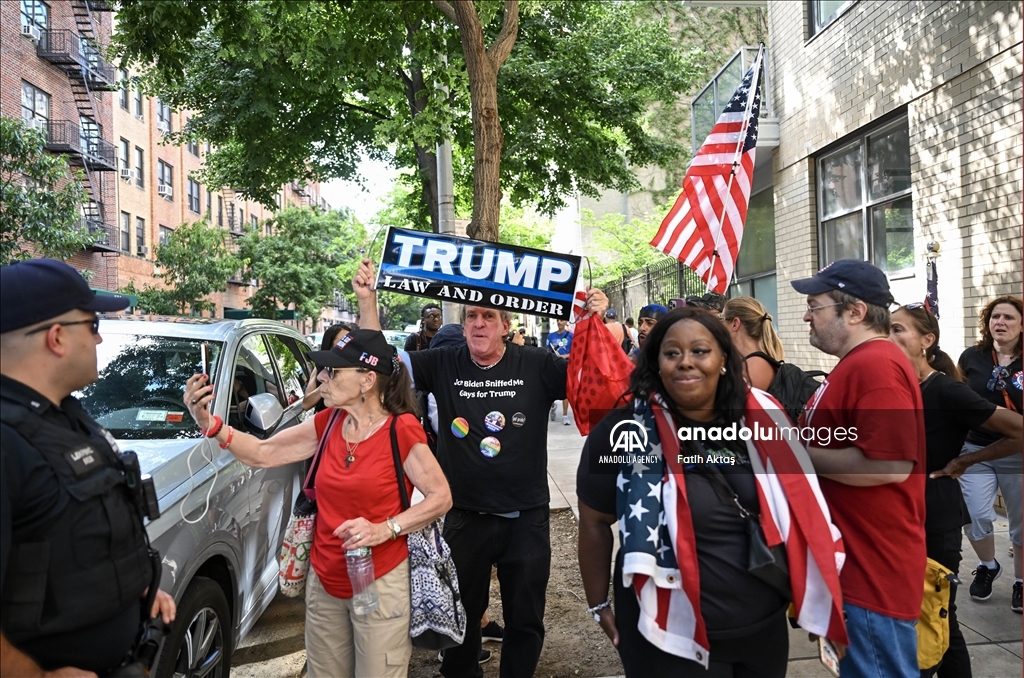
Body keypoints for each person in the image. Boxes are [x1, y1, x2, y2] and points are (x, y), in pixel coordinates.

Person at [352, 258, 608, 678]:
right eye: (472, 315)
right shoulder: (444, 362)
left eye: (489, 316)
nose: (478, 323)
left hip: (525, 516)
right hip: (463, 518)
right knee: (461, 621)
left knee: (525, 621)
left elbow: (592, 378)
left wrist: (592, 322)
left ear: (506, 325)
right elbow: (380, 361)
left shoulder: (537, 363)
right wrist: (368, 301)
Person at [577, 306, 846, 677]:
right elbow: (593, 521)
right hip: (668, 635)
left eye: (700, 351)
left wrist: (820, 594)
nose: (686, 362)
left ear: (723, 359)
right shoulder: (623, 430)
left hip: (762, 631)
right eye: (672, 353)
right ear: (656, 363)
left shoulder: (765, 416)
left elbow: (805, 512)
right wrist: (598, 604)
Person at [183, 329, 452, 677]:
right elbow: (264, 453)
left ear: (367, 380)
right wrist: (212, 424)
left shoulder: (399, 429)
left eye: (334, 372)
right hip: (325, 581)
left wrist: (386, 529)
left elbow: (441, 496)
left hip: (381, 583)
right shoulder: (327, 422)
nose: (322, 378)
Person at [0, 259, 176, 676]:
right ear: (57, 337)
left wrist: (137, 594)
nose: (99, 339)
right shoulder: (6, 441)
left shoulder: (65, 417)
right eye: (93, 324)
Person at [792, 259, 926, 678]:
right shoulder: (859, 363)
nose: (806, 315)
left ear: (855, 312)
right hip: (854, 568)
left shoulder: (876, 365)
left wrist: (790, 453)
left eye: (816, 305)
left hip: (872, 574)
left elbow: (889, 464)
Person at [889, 303, 1022, 677]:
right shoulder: (894, 387)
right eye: (886, 328)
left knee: (938, 615)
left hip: (934, 516)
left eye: (899, 329)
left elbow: (1019, 430)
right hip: (895, 516)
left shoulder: (945, 390)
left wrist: (967, 460)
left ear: (926, 341)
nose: (888, 335)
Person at [955, 295, 1023, 612]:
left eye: (1009, 317)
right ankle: (987, 565)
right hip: (976, 449)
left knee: (1021, 522)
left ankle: (1021, 582)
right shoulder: (972, 357)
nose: (1001, 322)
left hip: (1017, 452)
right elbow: (956, 400)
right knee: (976, 513)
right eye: (996, 317)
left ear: (1021, 325)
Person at [721, 297, 785, 391]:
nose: (718, 325)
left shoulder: (753, 368)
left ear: (735, 324)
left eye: (721, 319)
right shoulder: (752, 363)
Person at [303, 322, 356, 412]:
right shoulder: (320, 370)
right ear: (330, 346)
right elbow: (305, 404)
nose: (346, 345)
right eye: (342, 341)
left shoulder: (357, 369)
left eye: (349, 340)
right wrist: (325, 385)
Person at [546, 319, 573, 425]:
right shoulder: (550, 336)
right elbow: (547, 350)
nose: (559, 322)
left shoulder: (571, 336)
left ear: (566, 322)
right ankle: (552, 407)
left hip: (566, 365)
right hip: (553, 365)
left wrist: (564, 356)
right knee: (551, 388)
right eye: (558, 320)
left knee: (565, 390)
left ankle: (565, 415)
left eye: (561, 320)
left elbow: (575, 352)